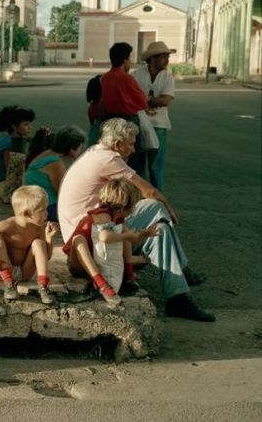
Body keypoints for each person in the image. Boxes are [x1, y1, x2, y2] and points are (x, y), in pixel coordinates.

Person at [57, 119, 214, 321]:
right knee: (157, 207)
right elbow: (148, 191)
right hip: (89, 234)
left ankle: (178, 294)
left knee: (161, 230)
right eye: (130, 144)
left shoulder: (95, 152)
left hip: (87, 226)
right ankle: (181, 277)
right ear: (117, 144)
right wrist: (170, 210)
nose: (133, 150)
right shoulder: (108, 159)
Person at [62, 179, 159, 305]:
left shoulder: (118, 218)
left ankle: (128, 274)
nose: (134, 208)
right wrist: (126, 236)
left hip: (100, 260)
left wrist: (144, 234)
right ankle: (101, 283)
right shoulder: (103, 215)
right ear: (123, 206)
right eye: (133, 205)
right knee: (79, 239)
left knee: (124, 234)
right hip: (81, 263)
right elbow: (105, 237)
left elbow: (131, 239)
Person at [0, 186, 58, 305]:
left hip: (25, 272)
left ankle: (43, 287)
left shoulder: (38, 229)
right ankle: (9, 285)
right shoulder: (8, 225)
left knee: (38, 243)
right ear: (27, 213)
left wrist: (49, 238)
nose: (47, 214)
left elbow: (46, 257)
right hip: (5, 269)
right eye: (43, 210)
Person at [131, 41, 176, 191]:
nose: (167, 60)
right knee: (137, 166)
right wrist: (146, 101)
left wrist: (145, 100)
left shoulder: (168, 78)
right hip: (138, 124)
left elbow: (166, 100)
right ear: (152, 58)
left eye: (167, 57)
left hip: (159, 125)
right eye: (163, 57)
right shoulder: (136, 75)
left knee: (156, 167)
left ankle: (157, 200)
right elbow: (132, 99)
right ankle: (139, 199)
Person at [23, 125, 87, 222]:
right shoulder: (55, 163)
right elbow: (63, 193)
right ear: (71, 149)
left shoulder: (47, 154)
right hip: (46, 208)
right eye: (79, 148)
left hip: (33, 204)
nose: (80, 151)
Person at [0, 105, 36, 203]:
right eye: (25, 124)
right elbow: (11, 169)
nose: (29, 127)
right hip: (4, 185)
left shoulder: (18, 141)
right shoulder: (8, 144)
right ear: (14, 126)